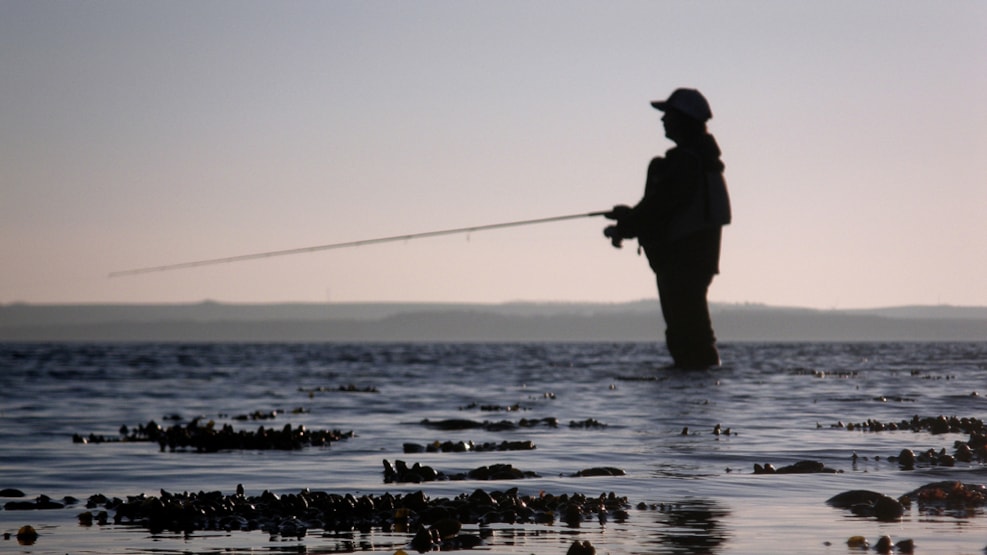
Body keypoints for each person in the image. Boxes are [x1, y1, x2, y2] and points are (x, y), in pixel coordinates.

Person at [604, 88, 731, 369]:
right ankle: (700, 386)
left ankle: (696, 389)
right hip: (692, 259)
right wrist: (628, 219)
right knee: (689, 330)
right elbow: (664, 206)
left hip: (682, 260)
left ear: (685, 120)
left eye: (669, 115)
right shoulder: (697, 160)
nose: (663, 121)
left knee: (687, 333)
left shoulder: (686, 162)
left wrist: (625, 226)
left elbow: (662, 206)